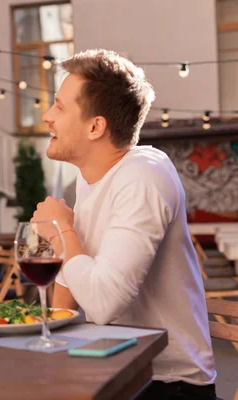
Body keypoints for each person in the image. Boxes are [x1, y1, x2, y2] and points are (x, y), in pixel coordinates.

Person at [31, 49, 216, 399]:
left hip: (167, 383)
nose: (46, 117)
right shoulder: (87, 180)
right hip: (108, 368)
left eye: (59, 107)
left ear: (95, 126)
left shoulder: (145, 174)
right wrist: (47, 340)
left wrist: (61, 230)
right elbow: (71, 284)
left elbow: (103, 304)